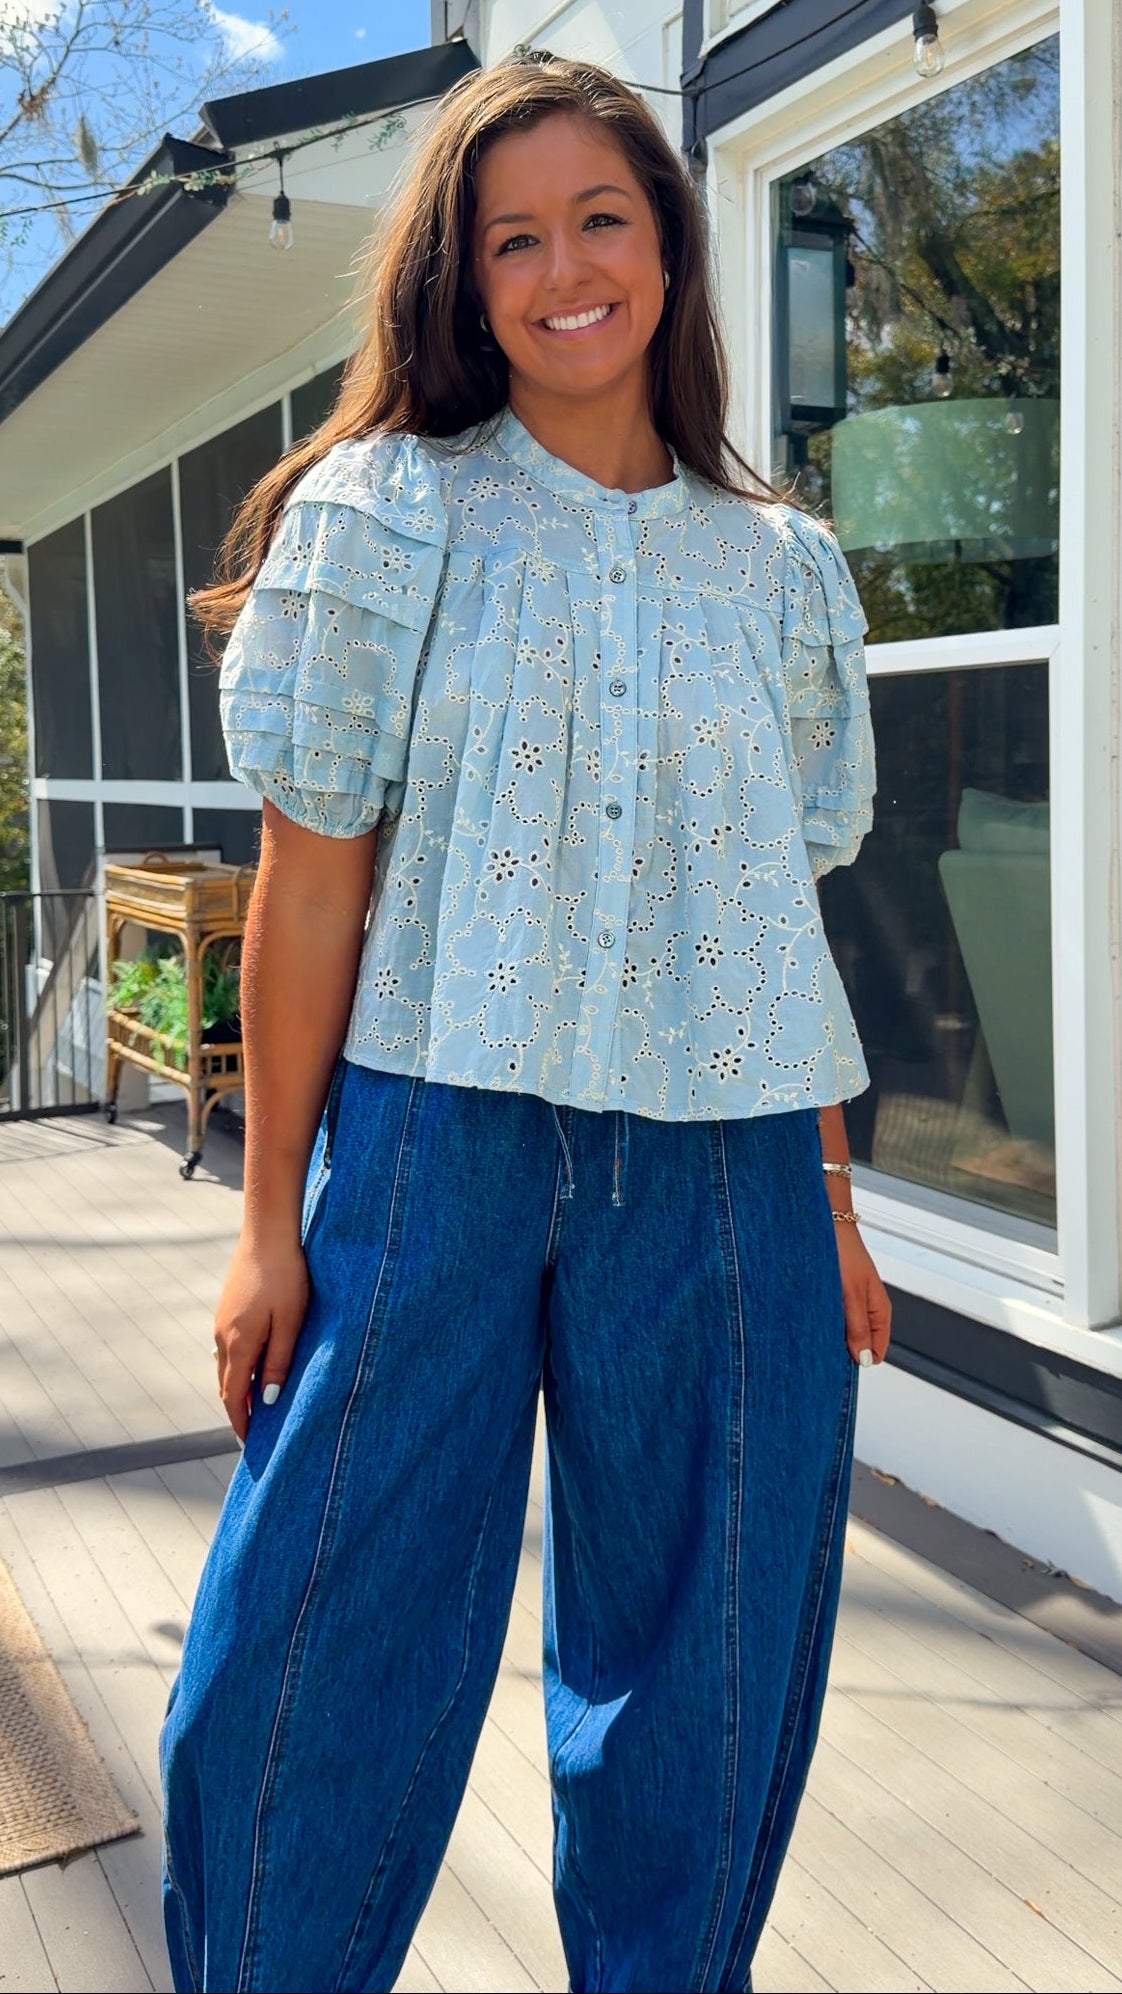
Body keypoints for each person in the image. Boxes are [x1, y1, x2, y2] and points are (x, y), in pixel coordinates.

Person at [160, 51, 891, 1994]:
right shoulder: (386, 513)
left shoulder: (783, 569)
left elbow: (774, 908)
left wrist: (828, 1198)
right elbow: (312, 884)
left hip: (735, 1168)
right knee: (310, 1641)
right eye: (514, 237)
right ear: (462, 282)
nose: (565, 269)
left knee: (707, 1672)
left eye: (602, 220)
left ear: (667, 248)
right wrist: (267, 1220)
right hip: (434, 1146)